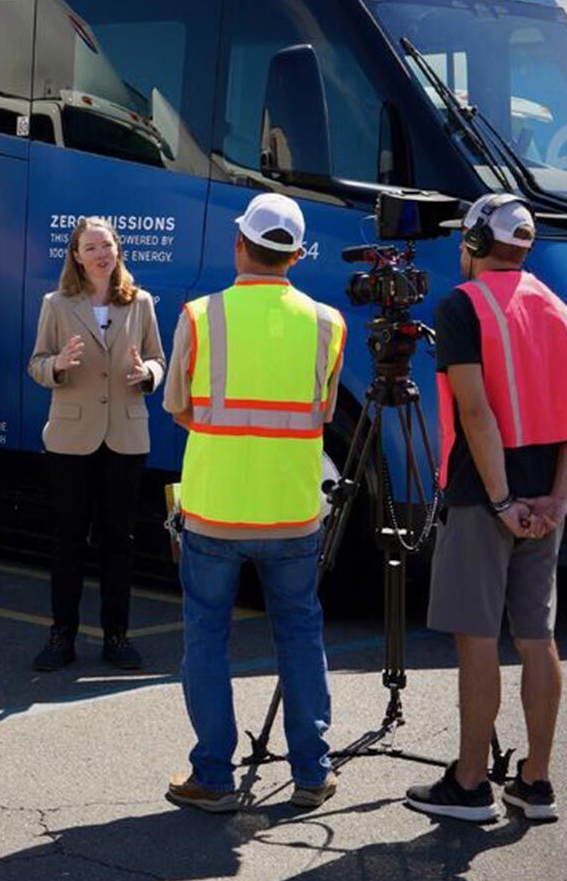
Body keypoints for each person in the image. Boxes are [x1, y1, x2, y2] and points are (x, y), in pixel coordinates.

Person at [405, 194, 567, 825]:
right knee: (538, 637)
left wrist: (502, 500)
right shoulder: (562, 311)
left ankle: (470, 783)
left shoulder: (464, 305)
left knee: (477, 638)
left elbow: (476, 412)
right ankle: (535, 784)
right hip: (548, 500)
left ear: (477, 244)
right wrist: (557, 500)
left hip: (485, 496)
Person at [162, 192, 346, 813]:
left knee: (207, 635)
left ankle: (213, 776)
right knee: (298, 630)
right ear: (295, 255)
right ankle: (312, 771)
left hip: (215, 505)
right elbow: (321, 412)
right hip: (293, 507)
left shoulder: (199, 315)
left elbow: (178, 406)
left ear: (239, 245)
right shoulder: (329, 323)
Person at [27, 217, 165, 671]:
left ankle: (117, 637)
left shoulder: (140, 302)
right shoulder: (57, 303)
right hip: (71, 435)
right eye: (92, 247)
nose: (102, 254)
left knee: (119, 542)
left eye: (108, 245)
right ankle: (61, 636)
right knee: (68, 540)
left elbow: (157, 359)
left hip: (125, 434)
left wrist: (147, 374)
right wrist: (58, 365)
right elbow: (37, 364)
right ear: (77, 256)